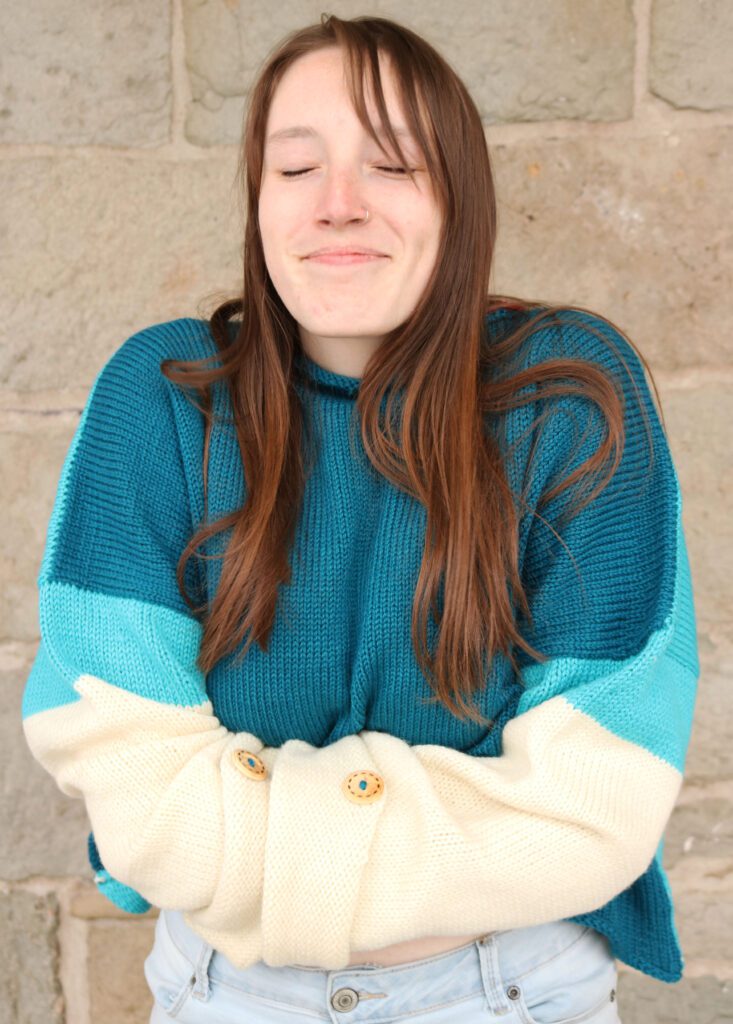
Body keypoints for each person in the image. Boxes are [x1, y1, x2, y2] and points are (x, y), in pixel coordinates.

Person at [21, 13, 699, 1024]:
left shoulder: (571, 398)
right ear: (257, 206)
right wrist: (458, 842)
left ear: (456, 200)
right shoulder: (160, 399)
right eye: (295, 171)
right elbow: (139, 797)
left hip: (510, 989)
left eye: (390, 166)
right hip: (225, 992)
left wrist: (260, 841)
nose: (337, 206)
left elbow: (594, 803)